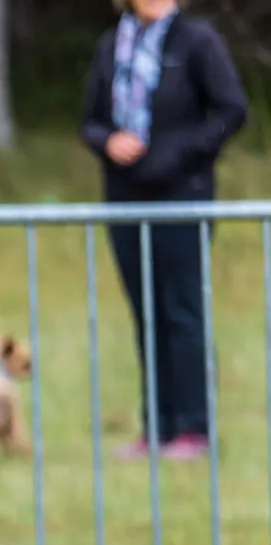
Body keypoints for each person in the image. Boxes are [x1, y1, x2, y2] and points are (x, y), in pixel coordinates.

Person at [80, 0, 247, 461]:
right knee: (146, 313)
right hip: (125, 197)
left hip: (181, 195)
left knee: (182, 311)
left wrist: (178, 155)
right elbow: (90, 121)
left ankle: (195, 428)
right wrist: (107, 141)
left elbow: (231, 109)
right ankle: (156, 426)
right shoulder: (112, 45)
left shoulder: (198, 42)